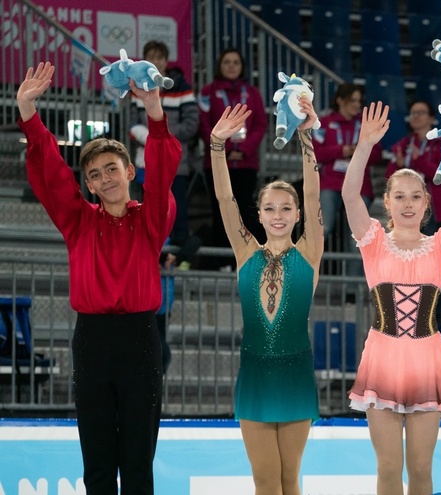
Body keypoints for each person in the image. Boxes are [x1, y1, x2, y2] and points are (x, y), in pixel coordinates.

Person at [18, 62, 180, 493]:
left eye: (111, 169)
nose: (104, 178)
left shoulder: (153, 220)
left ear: (130, 172)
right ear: (87, 185)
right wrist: (29, 114)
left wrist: (155, 114)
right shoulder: (77, 221)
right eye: (94, 174)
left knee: (138, 465)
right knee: (97, 465)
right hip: (91, 341)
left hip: (141, 342)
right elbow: (51, 175)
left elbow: (163, 177)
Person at [342, 102, 441, 495]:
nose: (407, 204)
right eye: (399, 197)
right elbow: (350, 195)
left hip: (426, 361)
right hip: (382, 358)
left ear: (426, 204)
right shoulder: (372, 241)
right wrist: (365, 144)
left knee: (421, 470)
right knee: (389, 470)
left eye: (415, 197)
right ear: (387, 203)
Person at [209, 100, 323, 494]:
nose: (278, 214)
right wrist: (216, 146)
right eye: (269, 208)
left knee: (290, 479)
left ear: (297, 214)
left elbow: (313, 193)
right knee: (265, 481)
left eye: (286, 208)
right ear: (258, 214)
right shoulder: (246, 253)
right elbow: (226, 201)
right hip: (255, 374)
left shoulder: (309, 250)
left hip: (295, 374)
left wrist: (306, 134)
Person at [131, 40, 199, 262]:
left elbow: (191, 125)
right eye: (151, 57)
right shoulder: (136, 87)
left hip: (177, 165)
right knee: (148, 214)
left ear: (166, 61)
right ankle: (151, 257)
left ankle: (179, 262)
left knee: (176, 216)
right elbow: (131, 125)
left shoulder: (182, 87)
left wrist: (162, 133)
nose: (156, 62)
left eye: (160, 57)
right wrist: (153, 137)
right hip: (145, 165)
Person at [198, 48, 268, 261]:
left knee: (245, 213)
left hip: (246, 165)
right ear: (220, 65)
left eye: (235, 62)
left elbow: (260, 124)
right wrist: (226, 150)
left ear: (242, 67)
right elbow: (204, 125)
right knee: (220, 213)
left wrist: (244, 150)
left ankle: (245, 260)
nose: (231, 66)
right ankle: (222, 262)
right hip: (218, 164)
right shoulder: (207, 92)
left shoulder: (253, 93)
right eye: (227, 62)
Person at [313, 83, 382, 275]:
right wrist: (341, 151)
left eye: (359, 101)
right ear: (340, 100)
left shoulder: (366, 124)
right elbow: (315, 153)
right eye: (352, 100)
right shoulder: (324, 123)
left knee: (356, 237)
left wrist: (360, 150)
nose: (357, 105)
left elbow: (377, 155)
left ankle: (352, 294)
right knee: (323, 229)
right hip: (330, 183)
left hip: (360, 187)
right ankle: (304, 279)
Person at [386, 100, 441, 235]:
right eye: (413, 113)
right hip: (410, 206)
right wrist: (399, 165)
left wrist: (418, 160)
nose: (416, 116)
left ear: (432, 118)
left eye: (421, 112)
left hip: (437, 208)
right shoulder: (403, 145)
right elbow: (389, 177)